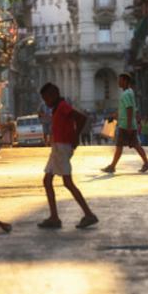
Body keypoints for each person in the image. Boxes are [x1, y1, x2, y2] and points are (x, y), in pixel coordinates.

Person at [38, 83, 98, 229]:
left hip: (63, 147)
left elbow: (81, 118)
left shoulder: (63, 106)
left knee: (67, 182)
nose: (46, 102)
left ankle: (89, 214)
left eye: (46, 99)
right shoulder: (58, 108)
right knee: (47, 181)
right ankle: (54, 217)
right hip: (58, 147)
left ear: (52, 96)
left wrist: (76, 137)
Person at [102, 73, 148, 173]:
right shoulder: (129, 92)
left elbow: (129, 109)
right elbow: (124, 109)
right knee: (135, 145)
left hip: (126, 126)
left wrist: (128, 126)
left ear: (125, 81)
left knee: (121, 146)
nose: (118, 82)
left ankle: (112, 166)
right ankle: (146, 163)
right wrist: (114, 116)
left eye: (120, 80)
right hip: (127, 124)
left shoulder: (126, 94)